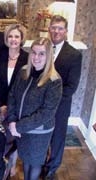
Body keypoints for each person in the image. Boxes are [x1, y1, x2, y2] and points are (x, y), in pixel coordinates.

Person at [7, 37, 62, 180]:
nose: (36, 57)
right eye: (34, 53)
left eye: (42, 54)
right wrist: (12, 121)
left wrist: (18, 126)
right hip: (20, 130)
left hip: (39, 133)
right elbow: (12, 95)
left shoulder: (54, 80)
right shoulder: (23, 72)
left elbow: (46, 113)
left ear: (49, 56)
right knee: (25, 160)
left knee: (35, 163)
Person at [43, 15, 82, 180]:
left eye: (60, 28)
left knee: (57, 138)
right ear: (49, 29)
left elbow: (71, 87)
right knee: (42, 135)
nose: (56, 31)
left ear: (65, 32)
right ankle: (41, 162)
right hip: (40, 105)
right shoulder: (42, 49)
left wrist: (52, 101)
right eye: (53, 27)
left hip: (60, 105)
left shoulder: (74, 55)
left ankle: (52, 168)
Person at [0, 23, 28, 177]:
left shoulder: (27, 58)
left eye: (17, 36)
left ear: (21, 38)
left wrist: (10, 107)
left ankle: (11, 165)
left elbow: (25, 88)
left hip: (16, 108)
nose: (13, 39)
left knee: (14, 137)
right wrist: (0, 105)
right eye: (10, 36)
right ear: (6, 38)